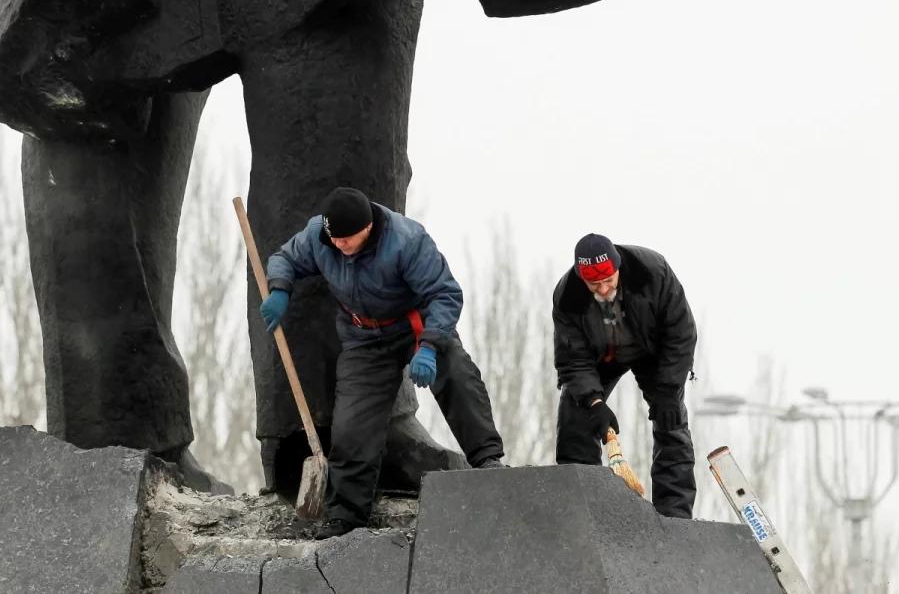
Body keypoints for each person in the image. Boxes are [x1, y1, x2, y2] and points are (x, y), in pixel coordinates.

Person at [261, 187, 506, 539]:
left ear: (369, 227)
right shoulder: (320, 235)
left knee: (456, 372)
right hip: (364, 338)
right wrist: (281, 287)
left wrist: (429, 347)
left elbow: (444, 293)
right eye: (336, 238)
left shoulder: (407, 240)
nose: (342, 245)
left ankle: (488, 460)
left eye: (349, 238)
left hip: (414, 325)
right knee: (351, 426)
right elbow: (285, 257)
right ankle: (345, 516)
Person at [551, 233, 697, 518]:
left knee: (671, 421)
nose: (604, 289)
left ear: (618, 268)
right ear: (582, 279)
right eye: (595, 284)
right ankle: (584, 511)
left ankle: (675, 515)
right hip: (600, 357)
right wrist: (593, 403)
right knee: (574, 419)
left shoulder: (653, 272)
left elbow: (681, 334)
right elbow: (573, 359)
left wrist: (667, 392)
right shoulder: (568, 296)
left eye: (609, 280)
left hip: (652, 349)